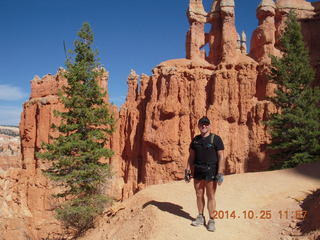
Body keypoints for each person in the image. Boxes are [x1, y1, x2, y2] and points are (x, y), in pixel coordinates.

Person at [185, 116, 225, 232]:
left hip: (211, 170)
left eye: (206, 124)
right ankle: (200, 216)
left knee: (211, 195)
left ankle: (211, 220)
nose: (204, 126)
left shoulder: (215, 139)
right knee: (199, 194)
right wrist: (187, 170)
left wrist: (220, 172)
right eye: (202, 124)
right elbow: (191, 157)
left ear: (209, 126)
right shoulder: (195, 140)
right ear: (198, 126)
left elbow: (221, 156)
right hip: (198, 170)